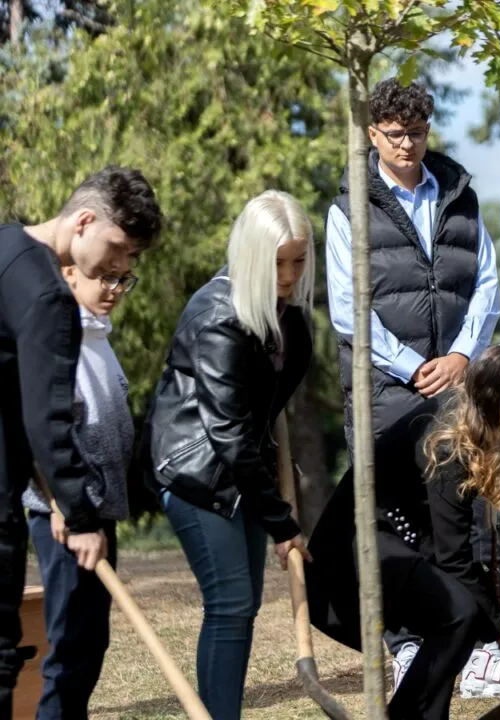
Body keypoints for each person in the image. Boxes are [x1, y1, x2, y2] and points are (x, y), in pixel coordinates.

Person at [324, 78, 500, 692]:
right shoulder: (348, 205)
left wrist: (460, 356)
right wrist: (411, 366)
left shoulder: (458, 193)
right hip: (385, 391)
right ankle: (406, 644)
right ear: (372, 134)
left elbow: (487, 283)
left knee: (465, 517)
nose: (408, 144)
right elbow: (350, 310)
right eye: (395, 133)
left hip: (457, 385)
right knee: (396, 522)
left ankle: (476, 648)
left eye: (418, 132)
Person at [146, 190, 314, 720]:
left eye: (298, 261)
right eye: (278, 263)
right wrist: (282, 522)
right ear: (251, 256)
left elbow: (264, 414)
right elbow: (227, 431)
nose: (289, 275)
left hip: (239, 470)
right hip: (197, 471)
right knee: (230, 603)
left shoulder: (287, 319)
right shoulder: (217, 313)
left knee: (242, 608)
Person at [0, 166, 162, 717]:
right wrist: (76, 509)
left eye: (131, 260)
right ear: (84, 221)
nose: (119, 268)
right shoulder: (50, 299)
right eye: (117, 248)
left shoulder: (5, 248)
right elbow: (46, 416)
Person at [305, 344, 500, 720]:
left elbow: (453, 549)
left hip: (399, 539)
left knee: (455, 614)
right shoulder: (448, 441)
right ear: (493, 399)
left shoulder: (469, 422)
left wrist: (497, 629)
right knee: (457, 611)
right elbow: (454, 557)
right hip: (353, 547)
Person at [22, 258, 138, 718]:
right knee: (69, 644)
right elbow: (39, 427)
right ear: (69, 273)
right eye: (102, 277)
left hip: (99, 510)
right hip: (65, 516)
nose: (113, 289)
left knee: (91, 643)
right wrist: (57, 503)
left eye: (122, 279)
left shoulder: (97, 336)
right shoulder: (54, 339)